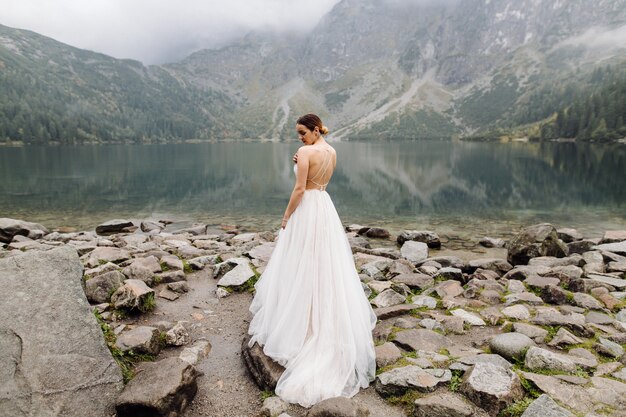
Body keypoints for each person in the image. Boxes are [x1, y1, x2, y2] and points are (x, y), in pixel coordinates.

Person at [247, 113, 377, 408]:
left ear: (316, 130)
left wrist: (286, 215)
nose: (300, 137)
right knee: (323, 263)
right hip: (325, 207)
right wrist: (300, 160)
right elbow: (317, 178)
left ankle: (302, 323)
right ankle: (316, 314)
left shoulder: (307, 151)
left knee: (300, 260)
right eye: (298, 134)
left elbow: (299, 189)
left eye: (303, 132)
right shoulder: (331, 150)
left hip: (307, 209)